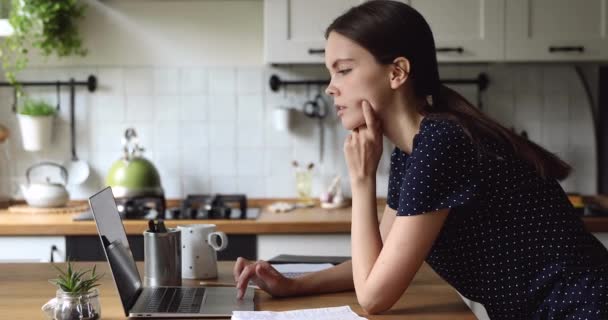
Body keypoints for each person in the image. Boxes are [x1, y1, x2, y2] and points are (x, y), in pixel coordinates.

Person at [234, 0, 608, 318]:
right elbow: (376, 264)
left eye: (344, 70)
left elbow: (373, 296)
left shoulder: (441, 143)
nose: (331, 86)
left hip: (581, 308)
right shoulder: (413, 150)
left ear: (397, 72)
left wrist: (362, 180)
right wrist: (292, 286)